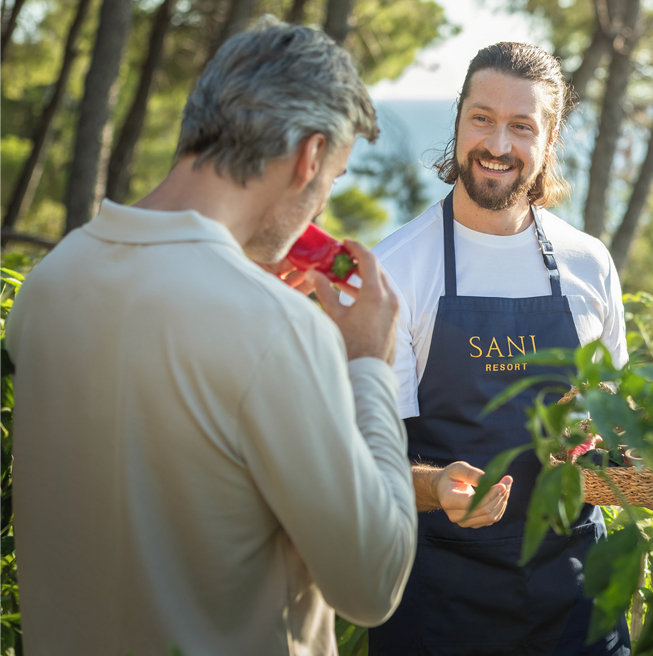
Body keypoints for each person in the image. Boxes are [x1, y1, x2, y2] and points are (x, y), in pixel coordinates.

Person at [5, 19, 417, 656]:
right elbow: (374, 583)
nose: (320, 209)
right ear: (309, 156)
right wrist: (367, 363)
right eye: (329, 180)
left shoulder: (51, 282)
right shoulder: (277, 328)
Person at [366, 42, 631, 655]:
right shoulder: (399, 269)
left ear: (549, 139)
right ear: (458, 120)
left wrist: (637, 455)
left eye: (522, 126)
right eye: (482, 118)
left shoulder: (589, 264)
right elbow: (363, 464)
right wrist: (436, 488)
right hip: (438, 602)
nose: (498, 145)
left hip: (575, 600)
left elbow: (606, 419)